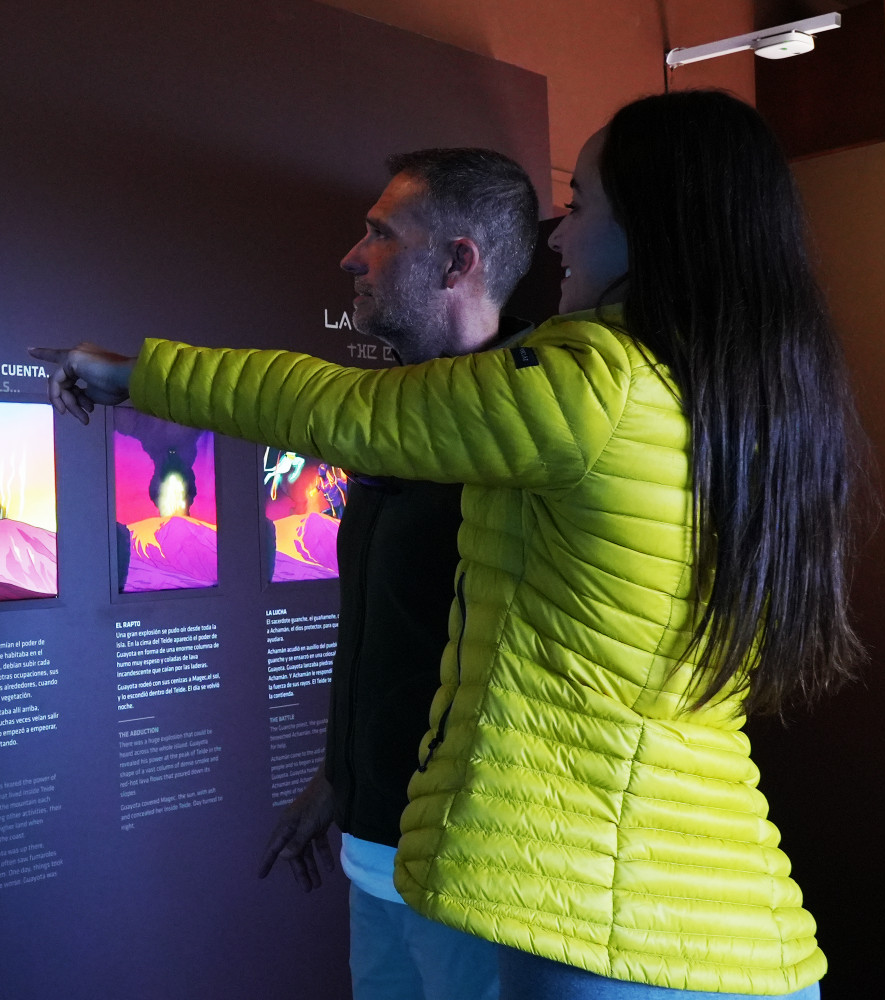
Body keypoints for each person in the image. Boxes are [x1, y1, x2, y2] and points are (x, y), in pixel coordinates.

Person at [34, 89, 863, 999]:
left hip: (600, 923)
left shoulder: (601, 385)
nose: (557, 237)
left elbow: (342, 410)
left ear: (653, 223)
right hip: (722, 915)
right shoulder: (736, 402)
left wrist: (135, 373)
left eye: (581, 204)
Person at [250, 147, 536, 1000]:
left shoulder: (523, 439)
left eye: (380, 233)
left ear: (457, 261)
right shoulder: (392, 425)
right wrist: (340, 776)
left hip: (468, 877)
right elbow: (396, 633)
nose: (351, 255)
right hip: (372, 857)